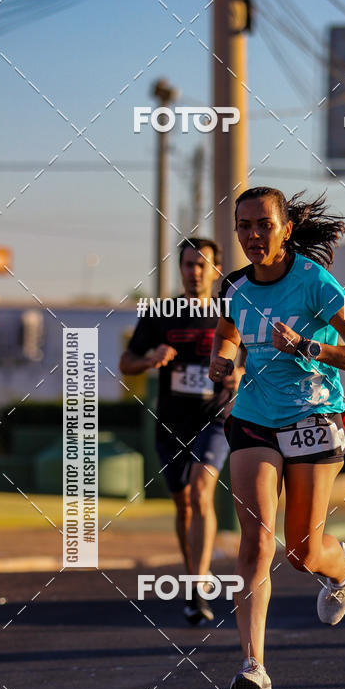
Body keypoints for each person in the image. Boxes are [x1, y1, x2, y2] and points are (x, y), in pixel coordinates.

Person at [209, 187, 345, 689]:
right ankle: (254, 669)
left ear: (285, 229)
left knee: (303, 553)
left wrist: (308, 345)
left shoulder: (314, 283)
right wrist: (224, 361)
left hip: (314, 415)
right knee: (256, 543)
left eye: (263, 224)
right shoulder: (233, 287)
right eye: (243, 226)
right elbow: (229, 333)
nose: (253, 235)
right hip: (255, 418)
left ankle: (339, 566)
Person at [120, 237, 243, 625]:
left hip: (215, 418)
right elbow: (126, 362)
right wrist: (149, 358)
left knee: (200, 489)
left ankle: (200, 582)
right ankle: (192, 583)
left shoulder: (232, 311)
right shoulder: (162, 314)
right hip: (172, 421)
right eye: (189, 264)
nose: (195, 272)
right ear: (181, 269)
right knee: (183, 503)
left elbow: (254, 356)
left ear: (215, 270)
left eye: (202, 265)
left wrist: (240, 374)